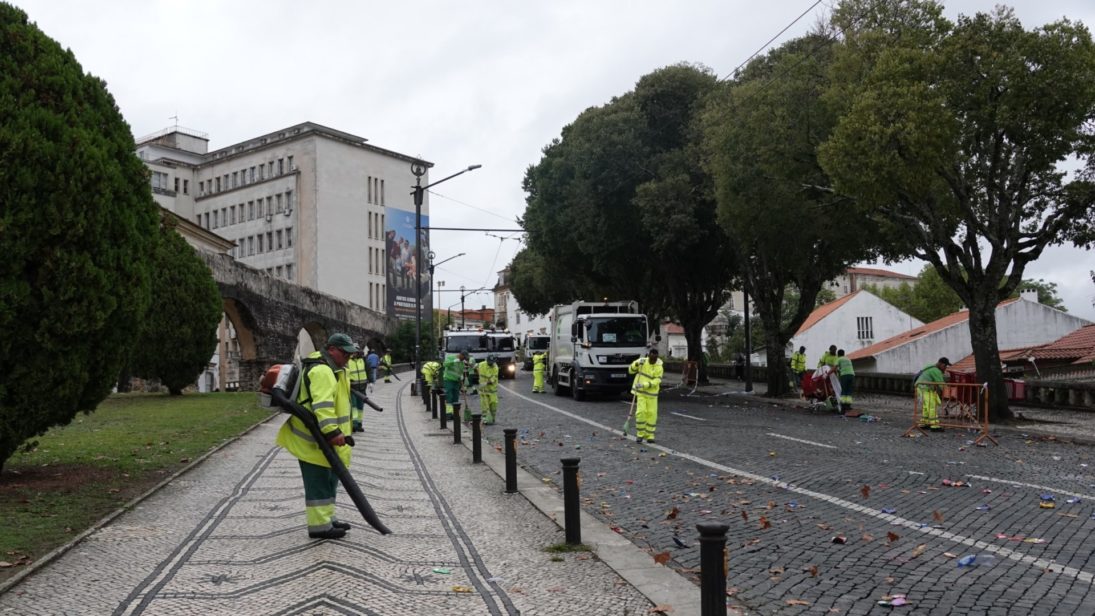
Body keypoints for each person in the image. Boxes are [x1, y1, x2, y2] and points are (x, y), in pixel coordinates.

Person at [275, 333, 358, 539]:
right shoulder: (322, 371)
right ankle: (319, 526)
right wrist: (333, 432)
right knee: (319, 483)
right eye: (344, 353)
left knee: (330, 480)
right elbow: (323, 406)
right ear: (331, 350)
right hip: (315, 440)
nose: (348, 358)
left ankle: (327, 518)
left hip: (324, 440)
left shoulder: (333, 368)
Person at [629, 349, 665, 444]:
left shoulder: (659, 367)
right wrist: (636, 364)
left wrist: (644, 385)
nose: (652, 360)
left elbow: (657, 381)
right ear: (648, 356)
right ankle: (640, 435)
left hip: (652, 395)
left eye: (654, 359)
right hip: (641, 393)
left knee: (652, 415)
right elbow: (630, 371)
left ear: (657, 358)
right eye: (651, 358)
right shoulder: (641, 362)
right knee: (641, 413)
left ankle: (650, 436)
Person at [915, 357, 950, 432]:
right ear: (941, 364)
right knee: (932, 406)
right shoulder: (936, 371)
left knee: (926, 406)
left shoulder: (930, 366)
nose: (945, 368)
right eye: (945, 366)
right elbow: (941, 384)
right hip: (925, 388)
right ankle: (934, 425)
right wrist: (950, 392)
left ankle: (924, 422)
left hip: (920, 387)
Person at [346, 350, 368, 432]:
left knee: (360, 407)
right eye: (352, 352)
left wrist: (371, 382)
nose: (354, 354)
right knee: (353, 406)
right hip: (353, 388)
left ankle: (359, 424)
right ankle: (354, 424)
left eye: (355, 352)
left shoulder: (362, 360)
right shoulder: (348, 361)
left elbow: (367, 371)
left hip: (362, 388)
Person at [443, 351, 467, 419]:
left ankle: (455, 413)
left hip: (456, 381)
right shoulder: (451, 357)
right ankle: (448, 413)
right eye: (463, 357)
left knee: (455, 397)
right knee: (449, 396)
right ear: (460, 355)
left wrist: (461, 377)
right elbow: (445, 364)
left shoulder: (462, 363)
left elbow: (460, 372)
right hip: (448, 380)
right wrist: (453, 361)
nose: (464, 359)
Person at [476, 354, 500, 425]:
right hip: (483, 390)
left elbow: (493, 379)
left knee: (493, 404)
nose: (490, 363)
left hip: (492, 390)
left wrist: (485, 383)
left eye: (492, 362)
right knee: (484, 406)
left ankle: (492, 418)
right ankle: (485, 419)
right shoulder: (482, 364)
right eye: (489, 362)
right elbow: (475, 366)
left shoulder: (495, 367)